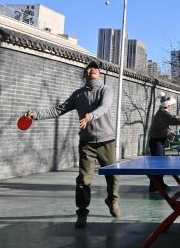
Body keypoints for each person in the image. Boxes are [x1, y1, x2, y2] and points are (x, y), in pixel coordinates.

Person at [22, 60, 120, 229]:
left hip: (107, 141)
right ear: (85, 74)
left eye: (95, 68)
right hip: (87, 143)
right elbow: (58, 109)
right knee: (83, 179)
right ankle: (82, 213)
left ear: (100, 73)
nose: (92, 70)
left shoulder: (106, 90)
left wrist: (90, 116)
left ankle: (112, 200)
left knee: (112, 176)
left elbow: (105, 106)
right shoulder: (78, 95)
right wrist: (35, 114)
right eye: (88, 69)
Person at [148, 95, 180, 192]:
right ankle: (154, 186)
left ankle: (159, 183)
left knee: (160, 165)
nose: (172, 106)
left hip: (159, 141)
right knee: (157, 165)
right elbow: (174, 119)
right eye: (171, 105)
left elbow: (163, 127)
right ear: (168, 105)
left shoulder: (162, 113)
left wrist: (170, 133)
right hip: (156, 142)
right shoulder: (163, 113)